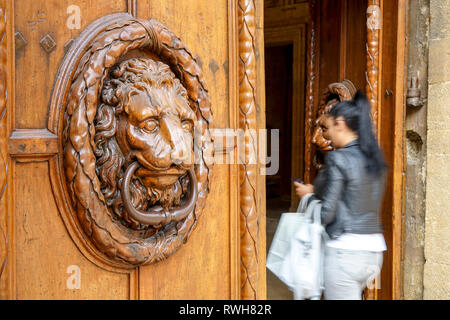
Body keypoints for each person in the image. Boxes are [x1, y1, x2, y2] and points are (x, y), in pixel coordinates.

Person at [294, 91, 387, 300]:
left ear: (341, 123)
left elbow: (327, 213)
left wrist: (308, 198)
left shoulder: (338, 158)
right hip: (374, 253)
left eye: (327, 128)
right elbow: (357, 196)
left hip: (346, 252)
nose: (326, 135)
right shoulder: (374, 157)